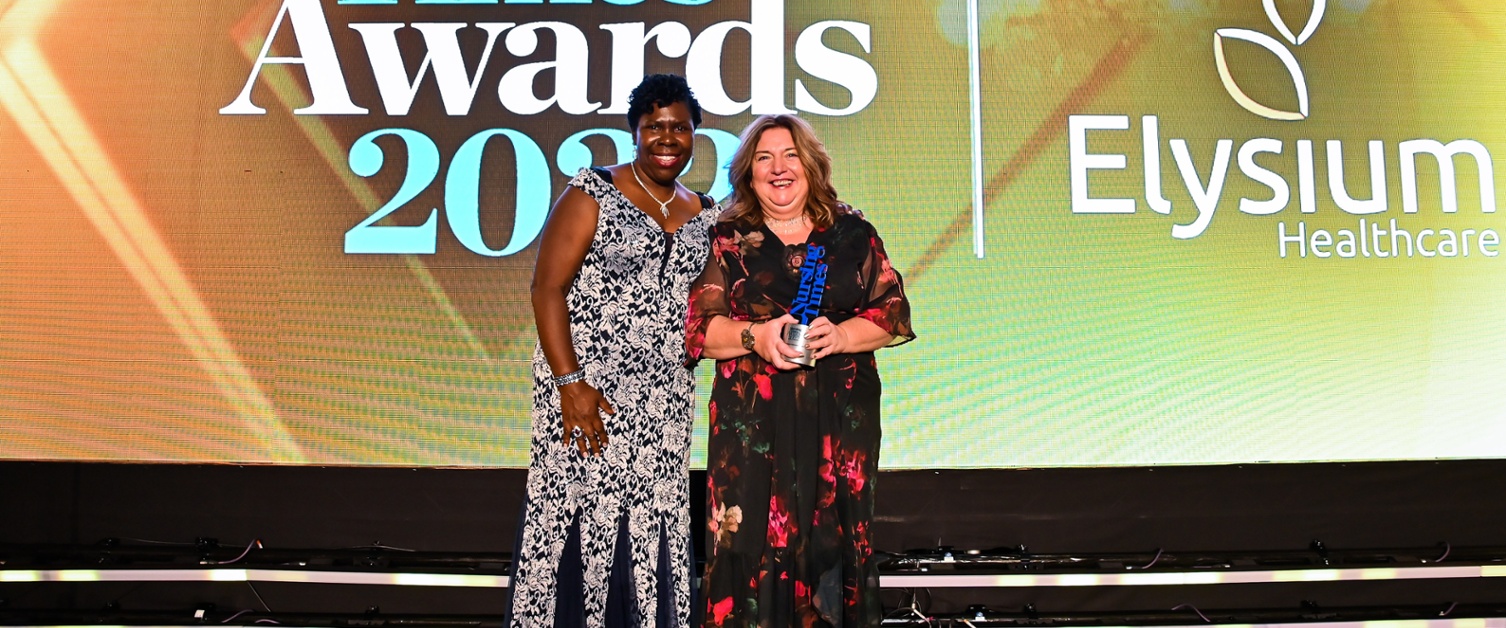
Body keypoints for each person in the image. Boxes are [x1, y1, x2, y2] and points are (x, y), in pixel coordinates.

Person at [686, 114, 914, 627]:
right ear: (748, 174)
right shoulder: (725, 237)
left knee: (834, 539)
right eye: (764, 158)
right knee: (747, 542)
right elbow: (700, 327)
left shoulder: (852, 232)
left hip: (838, 418)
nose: (779, 168)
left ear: (811, 165)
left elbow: (893, 311)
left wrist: (842, 336)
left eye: (790, 155)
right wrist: (757, 337)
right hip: (753, 428)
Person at [509, 74, 717, 628]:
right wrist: (568, 384)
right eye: (654, 127)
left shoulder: (707, 212)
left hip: (667, 401)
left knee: (653, 522)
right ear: (634, 132)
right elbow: (546, 288)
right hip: (590, 394)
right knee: (584, 518)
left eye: (678, 127)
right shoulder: (591, 191)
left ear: (695, 133)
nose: (666, 138)